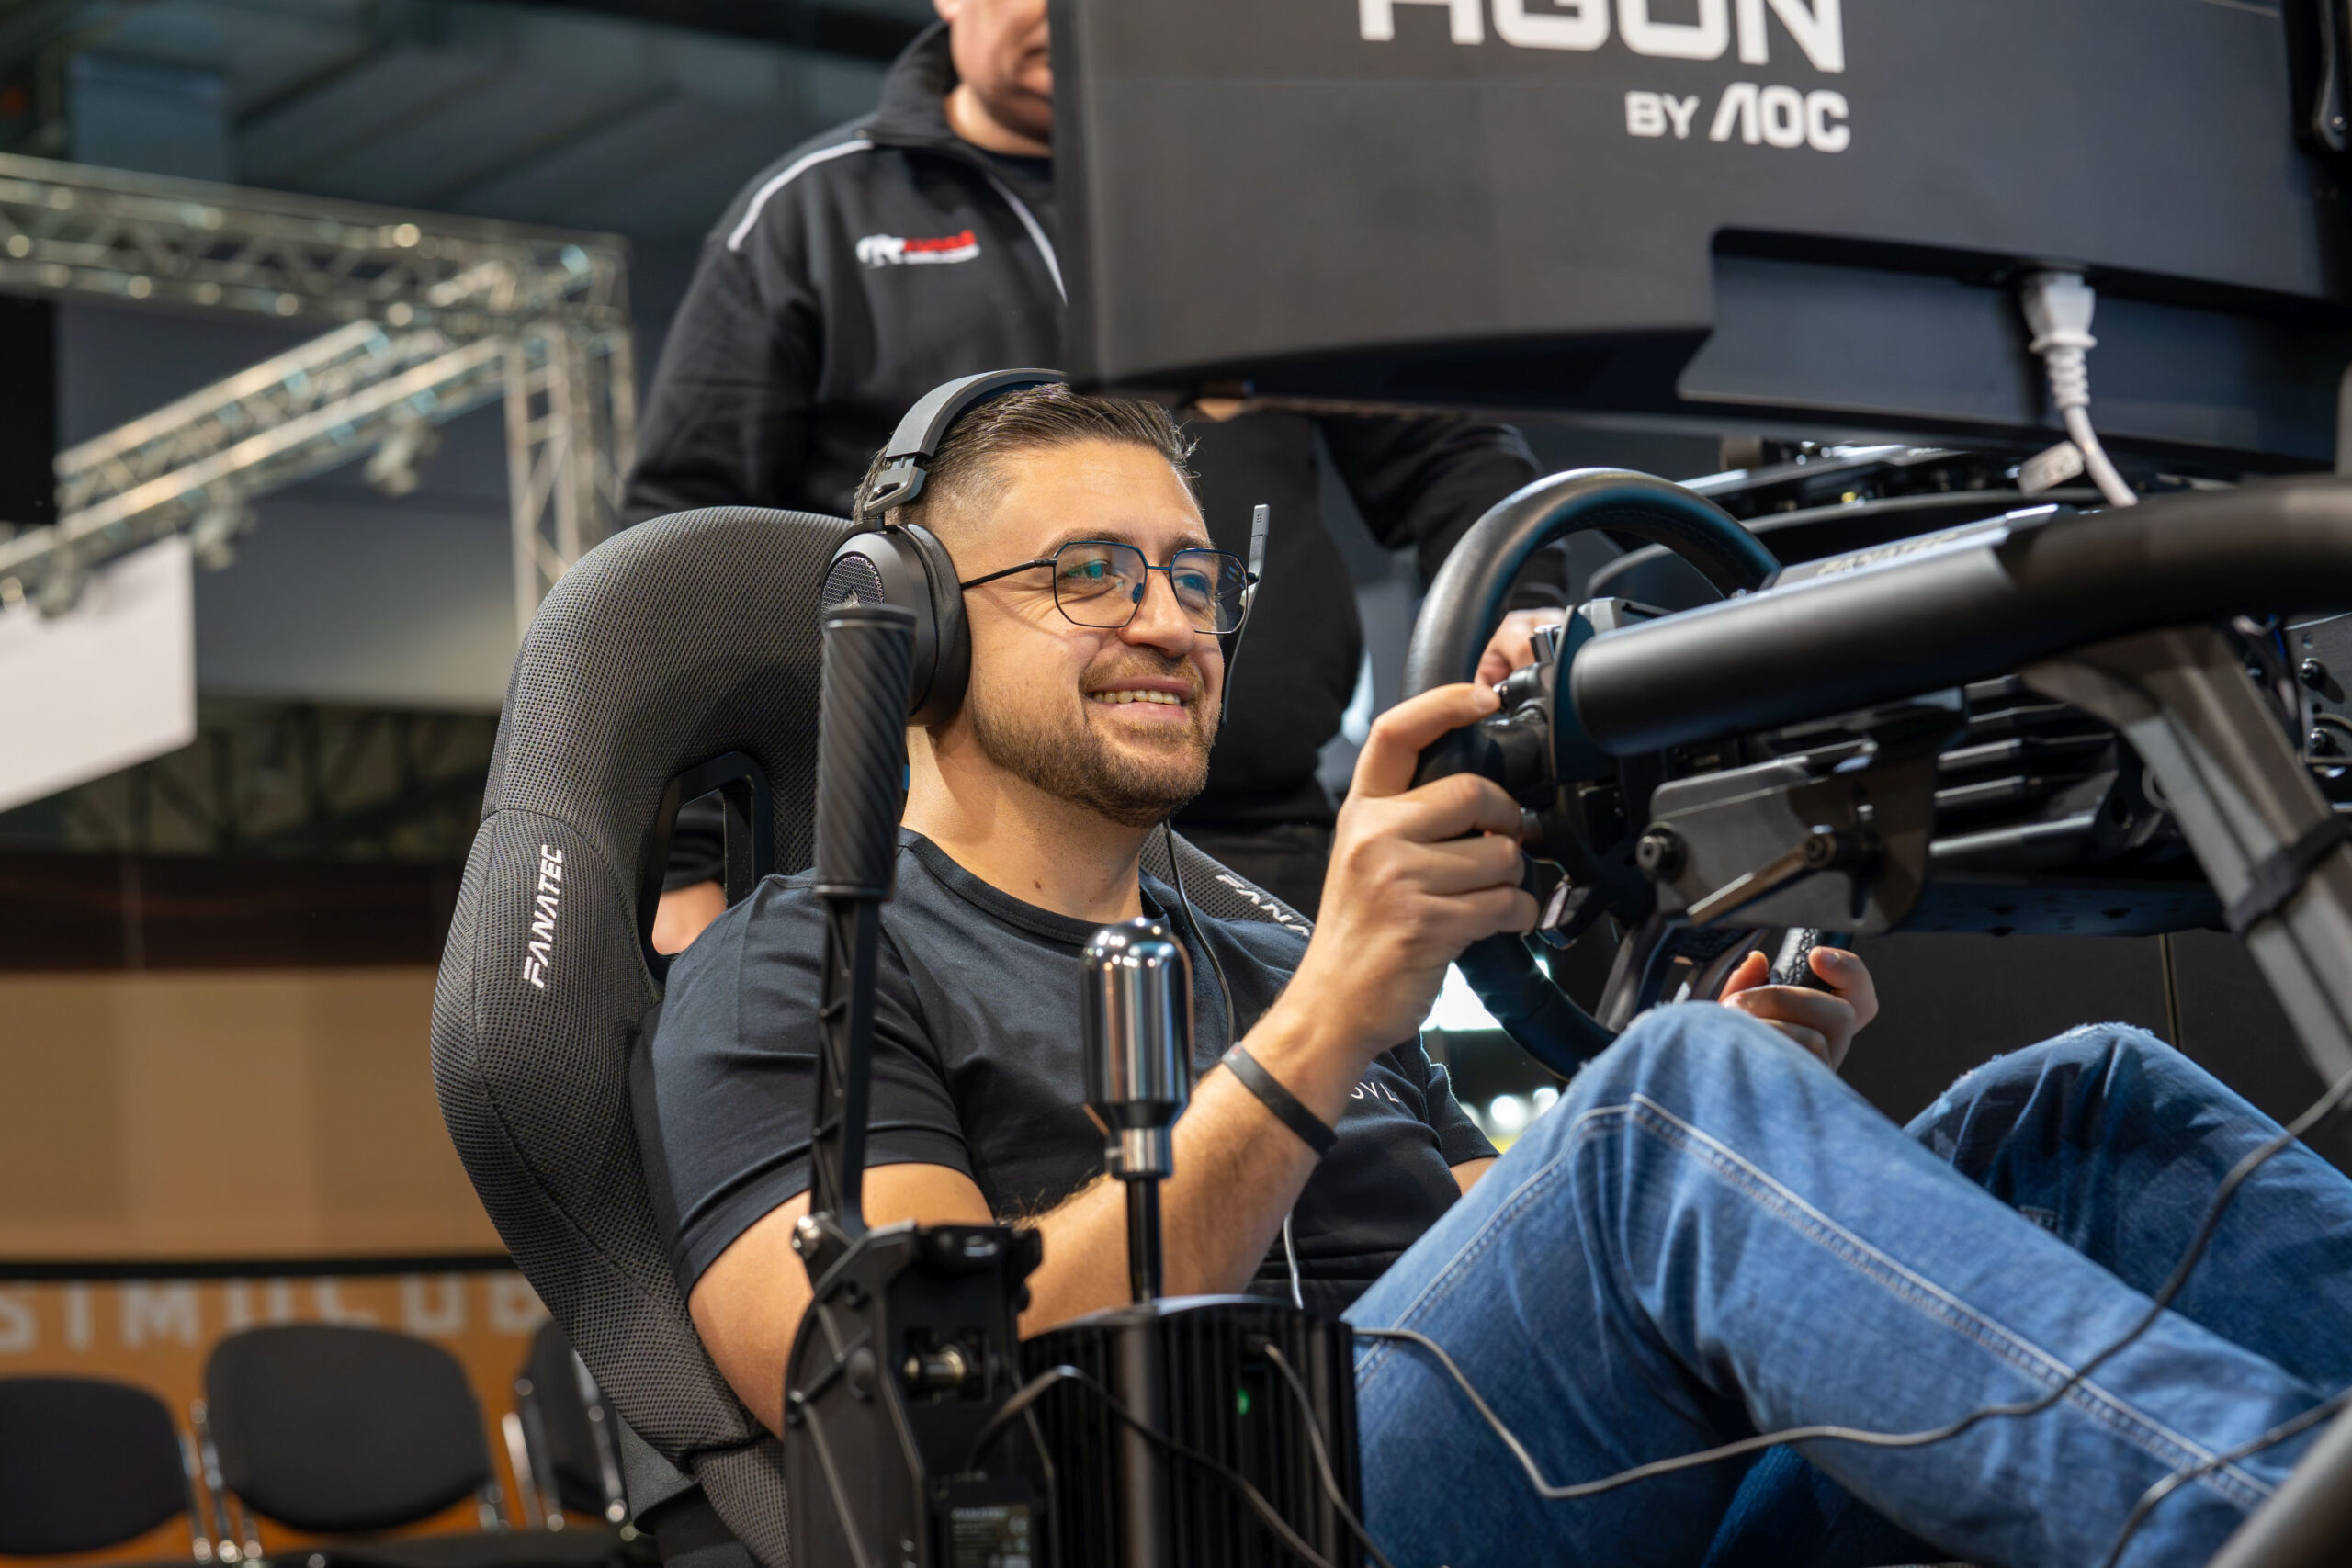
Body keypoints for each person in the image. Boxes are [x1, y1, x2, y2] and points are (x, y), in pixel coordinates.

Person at [630, 386, 2350, 1566]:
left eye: (1192, 578)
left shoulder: (1265, 944)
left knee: (2086, 1105)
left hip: (1516, 1469)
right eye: (1087, 576)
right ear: (920, 628)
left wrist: (1738, 1115)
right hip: (1254, 1509)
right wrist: (1343, 1024)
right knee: (1661, 1118)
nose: (1167, 619)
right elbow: (936, 1427)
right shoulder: (802, 970)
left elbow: (1495, 1234)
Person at [628, 0, 1550, 950]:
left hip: (1259, 842)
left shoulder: (1271, 200)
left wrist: (1518, 605)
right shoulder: (812, 217)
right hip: (928, 852)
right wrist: (690, 859)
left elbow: (1450, 454)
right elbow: (687, 543)